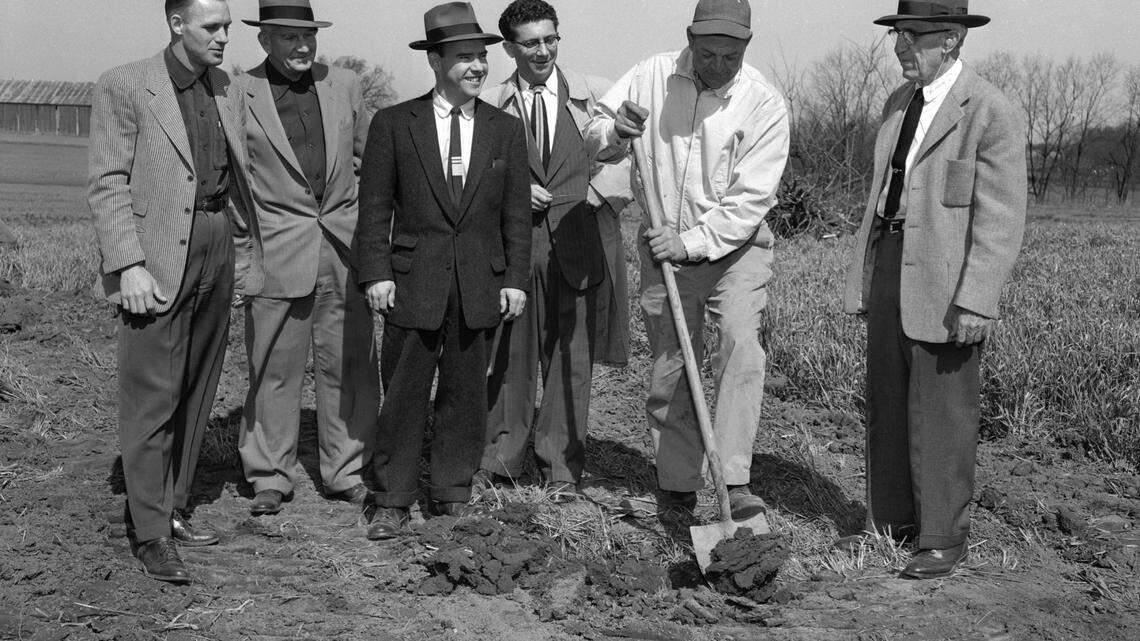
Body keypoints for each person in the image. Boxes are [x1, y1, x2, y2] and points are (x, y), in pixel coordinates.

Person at [841, 0, 1027, 579]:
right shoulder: (898, 102)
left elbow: (1000, 217)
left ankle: (943, 537)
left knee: (943, 410)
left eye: (911, 36)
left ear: (949, 40)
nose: (899, 47)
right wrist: (866, 276)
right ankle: (892, 524)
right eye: (896, 35)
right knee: (888, 399)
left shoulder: (991, 109)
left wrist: (977, 297)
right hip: (891, 261)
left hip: (950, 281)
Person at [584, 0, 788, 521]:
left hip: (735, 248)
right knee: (672, 363)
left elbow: (749, 200)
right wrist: (615, 133)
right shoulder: (650, 74)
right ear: (689, 38)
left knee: (740, 347)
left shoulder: (764, 104)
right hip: (662, 245)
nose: (717, 65)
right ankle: (676, 483)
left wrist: (692, 242)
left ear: (747, 45)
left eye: (730, 55)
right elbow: (594, 135)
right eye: (708, 52)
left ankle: (733, 481)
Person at [88, 0, 264, 583]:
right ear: (176, 24)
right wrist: (128, 265)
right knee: (153, 394)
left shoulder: (228, 86)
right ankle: (150, 531)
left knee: (198, 383)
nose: (223, 39)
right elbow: (108, 181)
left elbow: (236, 178)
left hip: (215, 240)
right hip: (157, 254)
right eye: (212, 27)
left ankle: (175, 505)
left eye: (228, 29)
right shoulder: (125, 85)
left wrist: (239, 258)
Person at [353, 2, 530, 540]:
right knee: (404, 394)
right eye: (464, 57)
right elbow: (375, 209)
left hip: (480, 283)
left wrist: (515, 279)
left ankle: (452, 492)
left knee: (465, 395)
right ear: (434, 60)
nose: (477, 66)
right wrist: (376, 273)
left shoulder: (504, 130)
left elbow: (516, 217)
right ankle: (392, 498)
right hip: (412, 283)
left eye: (482, 56)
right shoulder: (393, 125)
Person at [479, 0, 632, 499]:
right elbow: (474, 168)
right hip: (514, 245)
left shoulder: (596, 94)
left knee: (572, 357)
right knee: (510, 354)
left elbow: (625, 156)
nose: (543, 50)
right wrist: (511, 189)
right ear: (509, 48)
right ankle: (501, 459)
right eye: (530, 43)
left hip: (578, 236)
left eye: (550, 39)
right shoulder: (489, 100)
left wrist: (595, 194)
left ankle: (562, 469)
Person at [236, 0, 379, 517]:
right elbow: (235, 177)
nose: (302, 47)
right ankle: (271, 474)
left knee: (350, 365)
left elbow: (371, 158)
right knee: (273, 367)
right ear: (263, 39)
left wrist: (361, 218)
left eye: (309, 36)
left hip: (344, 247)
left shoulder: (345, 85)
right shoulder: (237, 92)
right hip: (276, 249)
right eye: (289, 37)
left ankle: (346, 470)